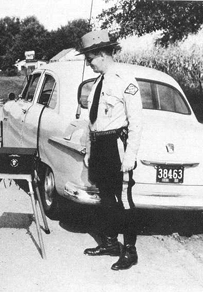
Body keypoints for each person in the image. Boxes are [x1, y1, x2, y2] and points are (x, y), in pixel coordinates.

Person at [79, 30, 143, 270]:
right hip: (99, 145)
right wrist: (88, 150)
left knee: (124, 198)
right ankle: (109, 243)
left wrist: (130, 156)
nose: (89, 63)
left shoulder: (125, 80)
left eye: (90, 58)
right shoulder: (97, 83)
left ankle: (130, 251)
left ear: (103, 54)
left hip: (116, 145)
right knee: (105, 196)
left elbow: (136, 122)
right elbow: (92, 121)